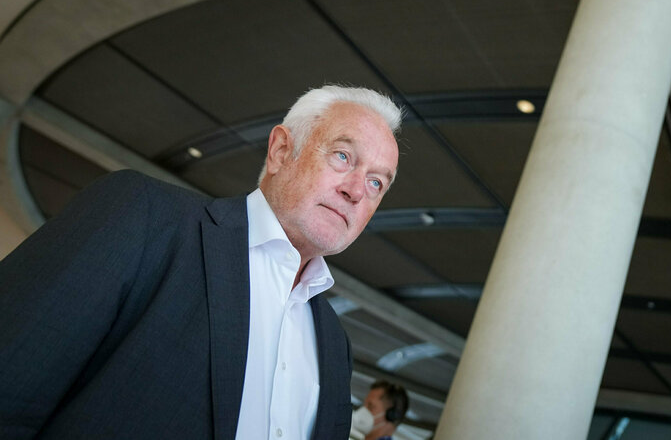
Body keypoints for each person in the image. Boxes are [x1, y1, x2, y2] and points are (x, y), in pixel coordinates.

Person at [0, 85, 402, 440]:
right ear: (282, 151)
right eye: (343, 156)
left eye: (376, 183)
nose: (356, 191)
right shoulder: (142, 217)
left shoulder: (335, 346)